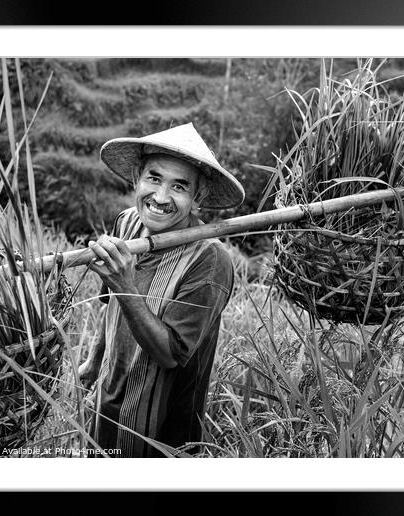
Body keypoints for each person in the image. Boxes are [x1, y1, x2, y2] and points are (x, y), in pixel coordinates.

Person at [78, 122, 245, 457]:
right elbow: (111, 305)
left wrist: (125, 285)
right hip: (106, 404)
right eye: (154, 178)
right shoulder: (128, 223)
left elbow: (170, 355)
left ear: (197, 198)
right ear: (137, 178)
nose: (161, 197)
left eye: (179, 187)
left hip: (159, 433)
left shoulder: (210, 260)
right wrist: (93, 362)